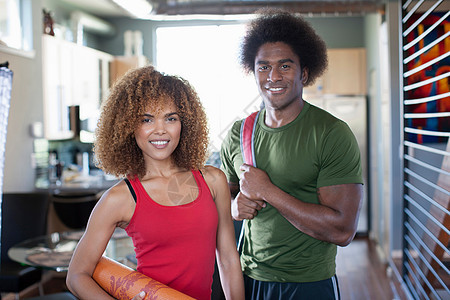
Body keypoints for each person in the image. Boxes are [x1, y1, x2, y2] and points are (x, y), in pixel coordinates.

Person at [220, 8, 364, 300]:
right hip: (250, 278)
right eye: (263, 67)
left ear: (305, 72)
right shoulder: (239, 134)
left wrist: (268, 191)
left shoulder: (331, 133)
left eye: (285, 66)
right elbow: (223, 206)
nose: (273, 76)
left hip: (309, 283)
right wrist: (235, 208)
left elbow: (342, 230)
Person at [66, 65, 245, 300]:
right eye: (147, 119)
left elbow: (229, 259)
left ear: (185, 124)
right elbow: (77, 275)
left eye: (171, 118)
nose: (160, 130)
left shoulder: (213, 180)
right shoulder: (120, 198)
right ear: (130, 127)